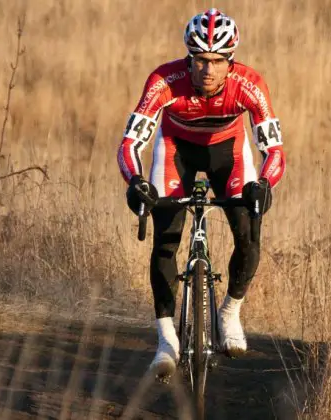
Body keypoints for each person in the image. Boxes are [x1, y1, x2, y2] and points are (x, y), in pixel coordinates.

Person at [116, 8, 286, 377]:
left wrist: (264, 184)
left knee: (248, 232)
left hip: (229, 152)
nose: (207, 69)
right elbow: (130, 143)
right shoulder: (164, 81)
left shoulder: (249, 84)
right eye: (199, 60)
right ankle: (166, 341)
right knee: (166, 239)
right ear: (188, 57)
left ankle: (229, 313)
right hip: (176, 149)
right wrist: (136, 181)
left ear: (231, 60)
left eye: (217, 61)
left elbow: (272, 150)